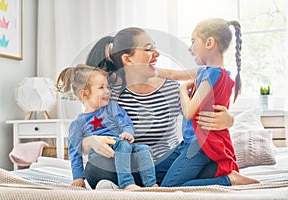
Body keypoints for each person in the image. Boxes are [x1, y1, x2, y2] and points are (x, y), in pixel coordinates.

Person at [81, 27, 235, 189]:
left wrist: (229, 120)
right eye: (148, 49)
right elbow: (81, 136)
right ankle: (139, 185)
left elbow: (201, 119)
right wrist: (92, 141)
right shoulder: (110, 93)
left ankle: (149, 185)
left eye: (154, 47)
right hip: (129, 169)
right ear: (128, 60)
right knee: (95, 168)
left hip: (167, 166)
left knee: (207, 162)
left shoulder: (170, 88)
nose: (157, 54)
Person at [155, 18, 260, 187]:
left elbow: (189, 112)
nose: (190, 48)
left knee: (169, 188)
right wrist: (144, 68)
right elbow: (172, 74)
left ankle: (227, 179)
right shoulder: (208, 72)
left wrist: (182, 90)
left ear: (209, 42)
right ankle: (213, 171)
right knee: (154, 174)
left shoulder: (212, 75)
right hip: (189, 143)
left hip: (200, 146)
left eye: (193, 41)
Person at [55, 64, 157, 189]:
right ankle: (126, 183)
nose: (107, 91)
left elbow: (126, 122)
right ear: (85, 94)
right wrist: (78, 177)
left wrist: (127, 132)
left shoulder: (112, 108)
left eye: (107, 87)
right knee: (123, 144)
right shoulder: (78, 124)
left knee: (143, 149)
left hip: (122, 149)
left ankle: (151, 186)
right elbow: (74, 152)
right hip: (101, 157)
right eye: (101, 88)